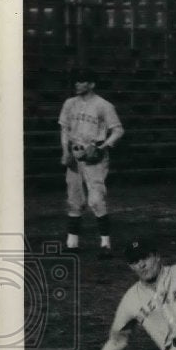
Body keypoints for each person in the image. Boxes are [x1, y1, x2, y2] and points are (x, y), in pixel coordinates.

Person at [59, 68, 124, 259]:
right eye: (76, 81)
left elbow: (118, 130)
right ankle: (72, 243)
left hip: (94, 155)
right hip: (75, 152)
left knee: (96, 199)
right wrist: (65, 152)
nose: (77, 84)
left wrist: (103, 147)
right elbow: (64, 130)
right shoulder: (69, 103)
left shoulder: (103, 105)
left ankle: (105, 244)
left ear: (92, 84)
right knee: (74, 199)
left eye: (82, 81)